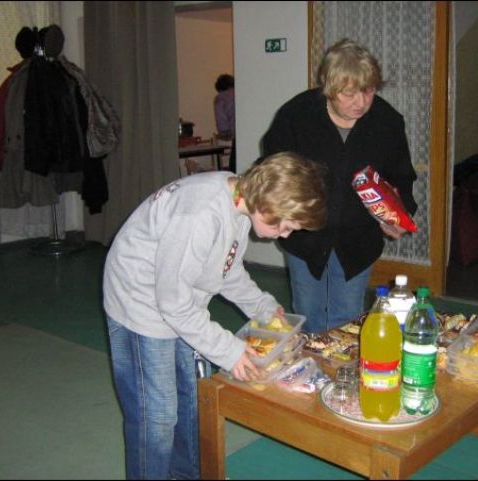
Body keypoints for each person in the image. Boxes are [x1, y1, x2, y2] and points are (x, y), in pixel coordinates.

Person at [103, 151, 326, 479]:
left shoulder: (239, 202)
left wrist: (262, 307)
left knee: (192, 402)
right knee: (158, 417)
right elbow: (173, 303)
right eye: (287, 225)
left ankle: (187, 475)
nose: (286, 235)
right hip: (140, 304)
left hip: (179, 301)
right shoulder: (201, 214)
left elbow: (226, 271)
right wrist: (230, 351)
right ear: (268, 203)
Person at [260, 38, 418, 333]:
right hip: (305, 237)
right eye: (349, 93)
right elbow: (270, 171)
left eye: (368, 91)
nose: (361, 102)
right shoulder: (296, 116)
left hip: (358, 239)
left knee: (346, 320)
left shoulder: (387, 122)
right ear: (328, 87)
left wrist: (400, 213)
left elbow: (402, 176)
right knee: (308, 314)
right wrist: (274, 214)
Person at [214, 73, 236, 172]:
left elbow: (223, 126)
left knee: (234, 171)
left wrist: (223, 135)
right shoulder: (242, 92)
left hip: (237, 138)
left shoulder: (221, 98)